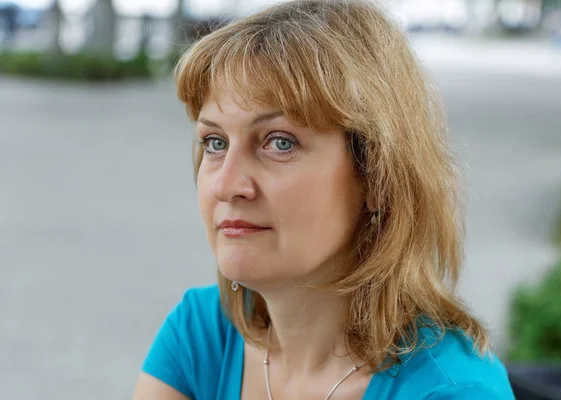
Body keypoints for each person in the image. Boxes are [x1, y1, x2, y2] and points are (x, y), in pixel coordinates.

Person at [133, 0, 516, 399]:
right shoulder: (201, 335)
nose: (227, 185)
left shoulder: (451, 390)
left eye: (279, 143)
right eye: (215, 142)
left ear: (377, 177)